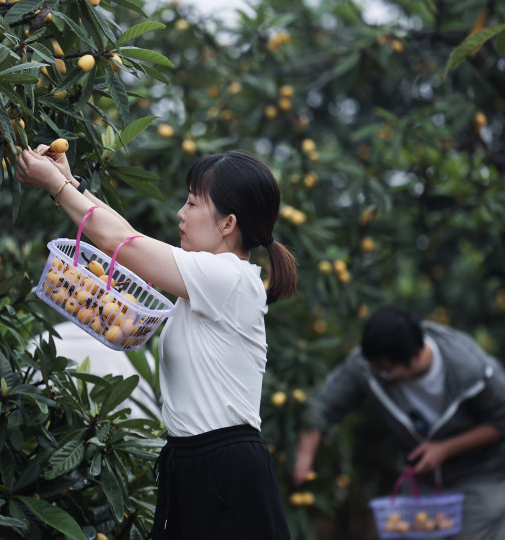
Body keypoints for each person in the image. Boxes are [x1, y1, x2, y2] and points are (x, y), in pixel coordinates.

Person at [16, 145, 296, 539]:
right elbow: (126, 235)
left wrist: (57, 187)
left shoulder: (228, 278)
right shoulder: (201, 281)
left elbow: (120, 243)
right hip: (192, 462)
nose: (180, 214)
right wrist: (69, 180)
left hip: (225, 470)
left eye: (193, 203)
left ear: (227, 223)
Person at [293, 307, 505, 540]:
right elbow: (323, 405)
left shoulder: (471, 368)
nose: (375, 375)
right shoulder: (369, 364)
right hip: (421, 480)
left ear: (416, 356)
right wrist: (304, 457)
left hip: (479, 477)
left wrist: (444, 449)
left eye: (385, 371)